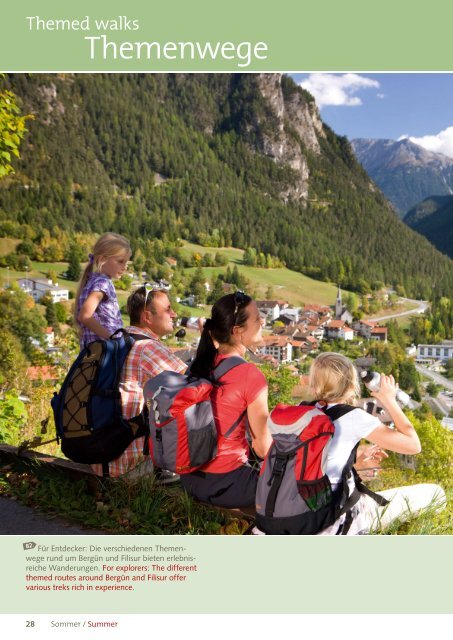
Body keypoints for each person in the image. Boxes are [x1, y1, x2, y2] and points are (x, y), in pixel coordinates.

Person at [308, 352, 446, 535]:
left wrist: (356, 458)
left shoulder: (301, 414)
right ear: (351, 384)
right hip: (334, 522)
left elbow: (312, 466)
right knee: (435, 493)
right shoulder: (352, 417)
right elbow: (414, 445)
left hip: (297, 516)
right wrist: (388, 398)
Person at [180, 292, 273, 508]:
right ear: (238, 331)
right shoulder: (250, 375)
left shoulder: (198, 365)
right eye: (257, 318)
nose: (262, 322)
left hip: (189, 479)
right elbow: (262, 447)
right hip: (226, 484)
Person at [91, 284, 186, 480]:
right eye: (168, 309)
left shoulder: (118, 340)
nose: (174, 314)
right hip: (131, 468)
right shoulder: (147, 348)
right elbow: (193, 383)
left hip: (102, 459)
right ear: (147, 316)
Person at [75, 232, 131, 348]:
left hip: (97, 352)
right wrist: (112, 338)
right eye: (121, 261)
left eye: (126, 262)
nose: (125, 267)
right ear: (102, 259)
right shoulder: (102, 283)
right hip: (104, 351)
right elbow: (85, 316)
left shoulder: (93, 279)